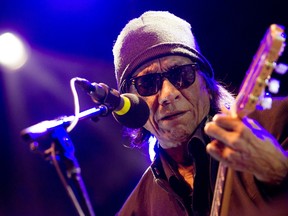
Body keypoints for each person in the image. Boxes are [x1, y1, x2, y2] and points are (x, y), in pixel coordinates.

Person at [112, 11, 288, 215]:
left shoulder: (279, 123)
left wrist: (280, 172)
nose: (168, 94)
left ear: (206, 81)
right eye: (147, 83)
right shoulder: (136, 210)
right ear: (132, 105)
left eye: (181, 74)